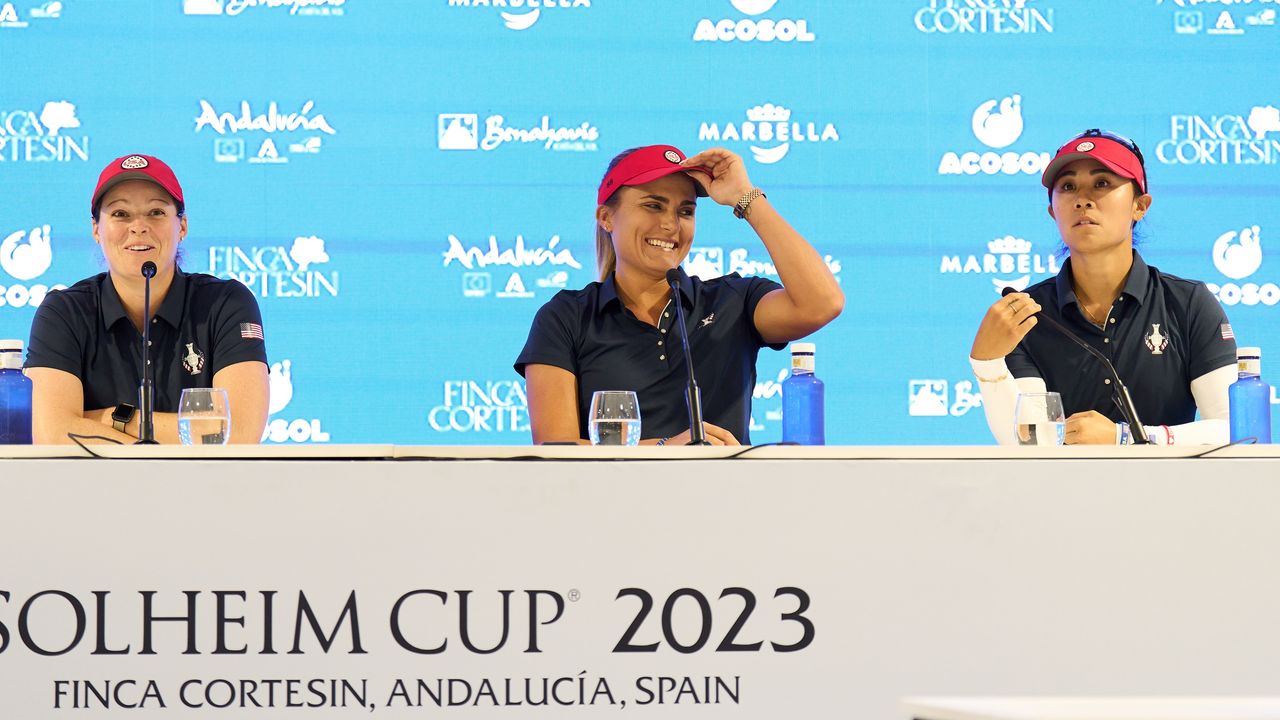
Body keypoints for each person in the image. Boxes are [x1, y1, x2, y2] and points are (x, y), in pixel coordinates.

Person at [515, 144, 844, 446]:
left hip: (726, 505)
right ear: (606, 217)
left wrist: (746, 196)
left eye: (685, 211)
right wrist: (664, 450)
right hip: (611, 507)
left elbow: (822, 303)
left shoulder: (731, 301)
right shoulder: (566, 317)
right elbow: (554, 450)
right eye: (653, 205)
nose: (671, 224)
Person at [969, 129, 1237, 445]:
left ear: (1140, 205)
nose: (1083, 200)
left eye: (1102, 183)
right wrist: (987, 366)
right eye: (1068, 187)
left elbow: (1232, 430)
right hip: (1060, 493)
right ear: (1052, 211)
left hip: (1167, 492)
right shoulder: (1028, 314)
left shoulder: (1189, 304)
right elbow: (1030, 443)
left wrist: (1127, 437)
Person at [25, 154, 269, 444]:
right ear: (95, 230)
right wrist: (183, 435)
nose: (138, 226)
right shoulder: (64, 312)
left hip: (205, 487)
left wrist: (116, 417)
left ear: (182, 226)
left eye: (155, 212)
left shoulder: (226, 303)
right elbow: (51, 433)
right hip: (95, 489)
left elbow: (237, 434)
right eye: (120, 214)